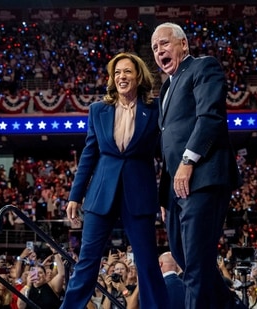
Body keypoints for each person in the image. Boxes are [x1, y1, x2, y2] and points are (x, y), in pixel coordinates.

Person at [60, 52, 168, 309]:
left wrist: (164, 197)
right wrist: (75, 195)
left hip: (139, 196)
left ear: (138, 75)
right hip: (101, 195)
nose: (122, 77)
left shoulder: (154, 110)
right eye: (117, 72)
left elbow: (166, 155)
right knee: (87, 260)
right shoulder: (98, 110)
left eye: (127, 71)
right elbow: (89, 154)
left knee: (147, 263)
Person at [151, 22, 241, 309]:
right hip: (175, 188)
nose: (158, 51)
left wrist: (189, 160)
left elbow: (210, 118)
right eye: (154, 48)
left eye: (164, 43)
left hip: (203, 178)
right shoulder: (166, 88)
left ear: (183, 45)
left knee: (196, 263)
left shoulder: (203, 67)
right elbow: (166, 144)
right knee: (186, 258)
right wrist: (166, 193)